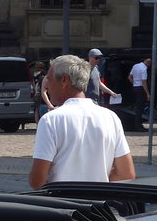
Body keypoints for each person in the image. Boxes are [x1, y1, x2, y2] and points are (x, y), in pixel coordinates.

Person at [28, 54, 135, 188]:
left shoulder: (51, 120)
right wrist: (95, 185)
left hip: (62, 204)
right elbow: (126, 174)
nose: (47, 86)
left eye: (49, 79)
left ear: (64, 80)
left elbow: (37, 181)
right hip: (98, 205)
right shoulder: (110, 117)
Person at [126, 54, 151, 132]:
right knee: (140, 108)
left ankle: (137, 124)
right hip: (141, 88)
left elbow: (129, 77)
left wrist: (134, 83)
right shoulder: (144, 69)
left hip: (135, 88)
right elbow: (144, 82)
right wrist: (147, 93)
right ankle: (138, 126)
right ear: (148, 63)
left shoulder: (135, 66)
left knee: (137, 107)